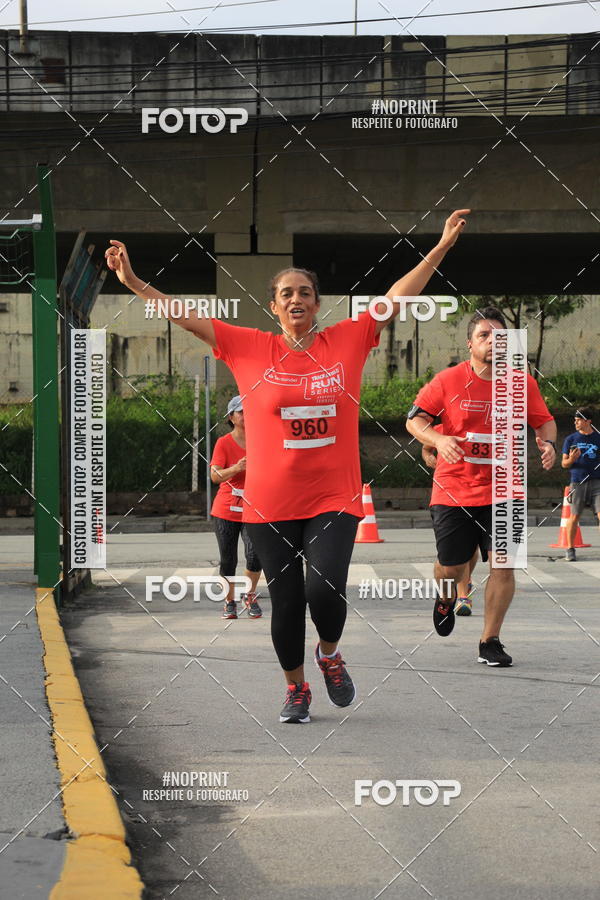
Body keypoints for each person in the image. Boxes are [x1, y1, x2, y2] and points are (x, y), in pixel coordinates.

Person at [105, 208, 470, 723]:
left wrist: (442, 247)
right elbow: (182, 313)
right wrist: (134, 282)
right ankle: (296, 688)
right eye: (286, 294)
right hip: (270, 502)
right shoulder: (247, 347)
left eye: (304, 292)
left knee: (324, 591)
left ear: (317, 304)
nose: (296, 299)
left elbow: (397, 296)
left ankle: (329, 654)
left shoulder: (348, 339)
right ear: (273, 306)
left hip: (333, 497)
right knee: (286, 600)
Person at [406, 306, 557, 667]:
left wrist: (548, 444)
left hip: (506, 487)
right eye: (484, 336)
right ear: (469, 344)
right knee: (451, 567)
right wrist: (439, 440)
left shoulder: (522, 383)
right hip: (454, 488)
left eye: (499, 336)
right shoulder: (447, 380)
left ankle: (490, 639)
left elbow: (545, 422)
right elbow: (415, 421)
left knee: (504, 567)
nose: (492, 342)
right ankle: (445, 597)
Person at [210, 395, 263, 619]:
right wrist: (236, 468)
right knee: (228, 559)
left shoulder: (261, 440)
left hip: (254, 507)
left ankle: (249, 595)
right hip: (226, 509)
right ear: (231, 417)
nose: (246, 415)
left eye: (249, 410)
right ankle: (229, 600)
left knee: (255, 555)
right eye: (241, 412)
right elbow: (215, 476)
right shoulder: (223, 443)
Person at [421, 431, 479, 616]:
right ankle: (450, 594)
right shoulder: (439, 426)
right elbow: (426, 448)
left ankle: (463, 593)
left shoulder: (485, 423)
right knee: (455, 555)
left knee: (472, 547)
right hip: (451, 495)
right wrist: (428, 457)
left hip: (482, 492)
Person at [561, 407, 600, 561]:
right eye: (575, 419)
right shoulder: (571, 439)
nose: (575, 422)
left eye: (578, 419)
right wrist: (572, 459)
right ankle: (570, 548)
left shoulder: (598, 438)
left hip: (597, 482)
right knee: (575, 516)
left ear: (588, 421)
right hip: (578, 482)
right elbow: (564, 463)